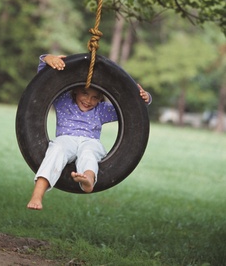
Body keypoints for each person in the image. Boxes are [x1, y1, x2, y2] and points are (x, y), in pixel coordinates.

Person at [27, 54, 152, 210]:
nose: (88, 100)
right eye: (84, 93)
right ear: (75, 91)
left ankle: (87, 180)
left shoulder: (101, 111)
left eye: (95, 97)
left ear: (100, 99)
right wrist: (46, 58)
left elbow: (130, 106)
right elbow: (44, 83)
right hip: (67, 139)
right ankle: (37, 196)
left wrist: (145, 97)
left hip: (90, 141)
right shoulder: (63, 101)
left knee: (89, 153)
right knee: (57, 150)